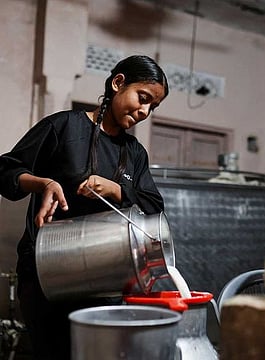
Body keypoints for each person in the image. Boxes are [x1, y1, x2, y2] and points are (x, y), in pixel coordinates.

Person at [0, 55, 169, 359]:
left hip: (107, 274)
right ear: (118, 83)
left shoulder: (134, 153)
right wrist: (44, 183)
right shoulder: (63, 126)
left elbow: (154, 207)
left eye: (152, 107)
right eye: (142, 98)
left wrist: (116, 189)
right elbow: (5, 171)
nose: (144, 111)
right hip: (46, 268)